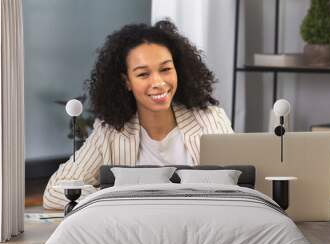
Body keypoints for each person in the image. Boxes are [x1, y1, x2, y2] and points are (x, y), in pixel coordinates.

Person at [43, 20, 234, 209]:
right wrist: (112, 197)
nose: (158, 82)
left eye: (166, 69)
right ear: (127, 81)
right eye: (143, 74)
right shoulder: (111, 133)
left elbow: (239, 185)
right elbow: (54, 192)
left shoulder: (209, 119)